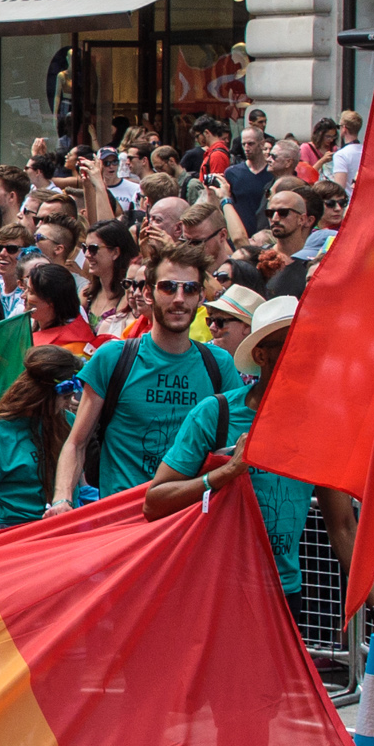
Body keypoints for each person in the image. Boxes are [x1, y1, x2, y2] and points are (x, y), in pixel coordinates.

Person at [143, 293, 317, 596]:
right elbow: (154, 502)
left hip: (284, 593)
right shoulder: (215, 413)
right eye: (291, 345)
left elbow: (342, 525)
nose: (304, 356)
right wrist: (228, 471)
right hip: (217, 590)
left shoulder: (318, 423)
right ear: (261, 356)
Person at [51, 253, 232, 508]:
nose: (179, 298)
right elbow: (76, 443)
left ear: (201, 296)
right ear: (148, 293)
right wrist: (62, 499)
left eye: (190, 289)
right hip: (122, 518)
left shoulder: (219, 364)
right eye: (168, 287)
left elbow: (235, 447)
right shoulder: (113, 358)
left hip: (188, 519)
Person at [0, 350, 78, 531]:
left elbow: (85, 480)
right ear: (43, 394)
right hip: (12, 532)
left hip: (66, 529)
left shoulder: (69, 422)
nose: (71, 402)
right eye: (66, 397)